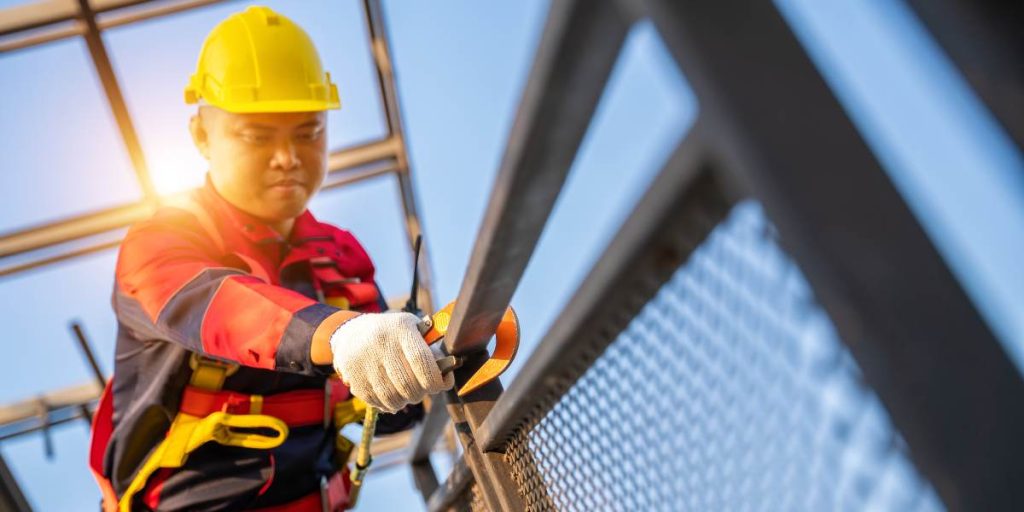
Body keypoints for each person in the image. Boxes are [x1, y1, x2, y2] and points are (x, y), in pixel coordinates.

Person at [87, 6, 452, 510]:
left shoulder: (340, 255)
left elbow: (383, 408)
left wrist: (423, 359)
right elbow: (221, 307)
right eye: (258, 136)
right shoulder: (160, 242)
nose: (289, 157)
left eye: (309, 132)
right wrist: (339, 333)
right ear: (200, 135)